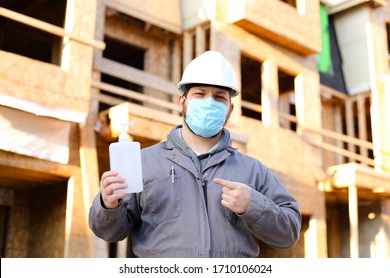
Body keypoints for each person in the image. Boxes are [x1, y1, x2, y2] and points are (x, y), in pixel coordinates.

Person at [89, 50, 302, 258]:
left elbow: (289, 233)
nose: (209, 103)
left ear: (229, 109)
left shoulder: (253, 171)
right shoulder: (144, 162)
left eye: (219, 97)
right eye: (200, 94)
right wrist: (108, 206)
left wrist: (252, 205)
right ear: (183, 102)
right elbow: (109, 232)